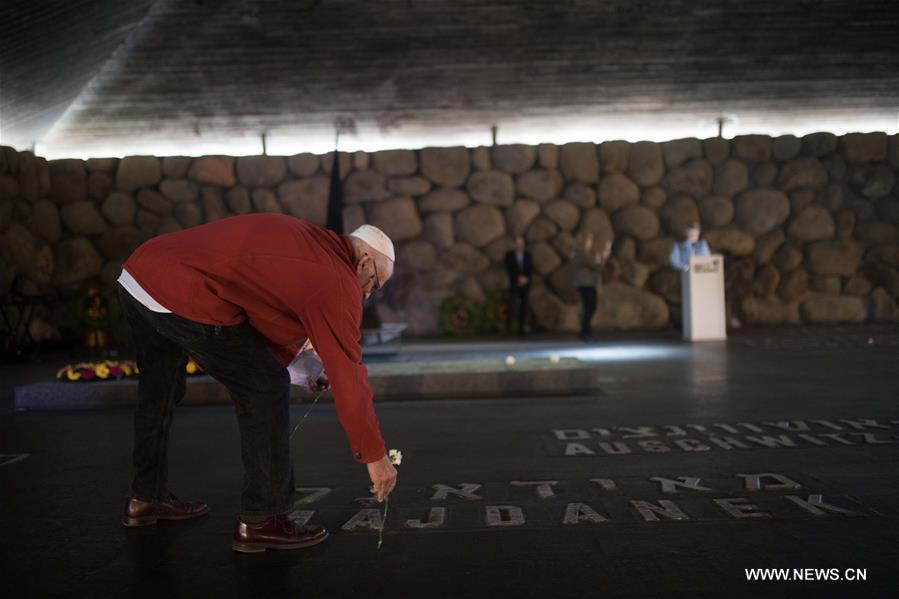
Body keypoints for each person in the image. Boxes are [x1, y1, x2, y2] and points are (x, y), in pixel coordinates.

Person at [116, 213, 398, 553]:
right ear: (364, 260)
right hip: (186, 292)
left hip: (140, 274)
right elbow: (348, 373)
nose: (367, 294)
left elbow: (255, 312)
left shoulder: (312, 242)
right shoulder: (338, 280)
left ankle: (145, 498)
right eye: (375, 283)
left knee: (158, 391)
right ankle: (264, 520)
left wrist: (296, 364)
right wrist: (375, 456)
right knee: (264, 387)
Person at [569, 232, 611, 342]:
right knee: (589, 307)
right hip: (585, 284)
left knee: (591, 307)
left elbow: (597, 266)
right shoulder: (580, 254)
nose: (590, 243)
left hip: (591, 284)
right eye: (588, 240)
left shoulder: (590, 253)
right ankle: (584, 332)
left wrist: (601, 258)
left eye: (590, 241)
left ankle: (585, 331)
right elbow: (594, 265)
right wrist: (604, 258)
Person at [503, 235, 533, 336]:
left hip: (525, 283)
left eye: (521, 242)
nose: (519, 244)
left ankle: (521, 328)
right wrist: (518, 278)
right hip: (514, 283)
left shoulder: (528, 255)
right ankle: (508, 328)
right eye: (517, 242)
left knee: (524, 306)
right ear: (515, 244)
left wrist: (526, 278)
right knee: (512, 305)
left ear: (523, 244)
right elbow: (509, 268)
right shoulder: (509, 255)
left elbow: (530, 268)